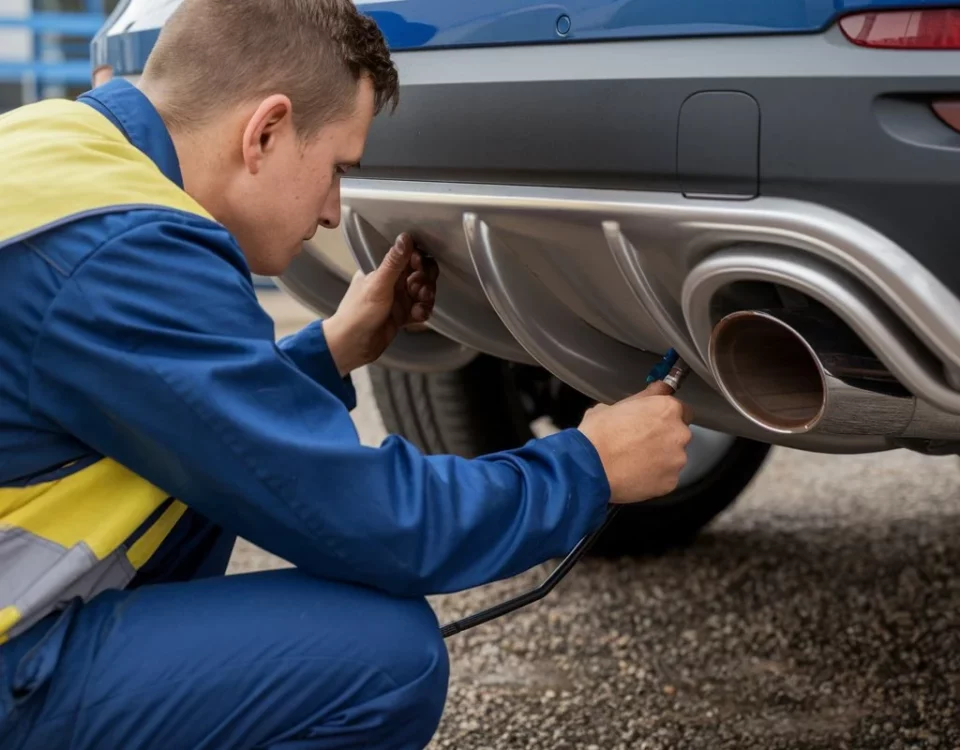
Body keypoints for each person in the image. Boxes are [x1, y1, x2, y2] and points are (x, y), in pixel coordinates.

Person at [0, 1, 692, 748]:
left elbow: (179, 409)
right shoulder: (124, 257)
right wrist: (588, 468)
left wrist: (327, 351)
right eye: (335, 170)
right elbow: (374, 521)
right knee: (383, 659)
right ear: (264, 131)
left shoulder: (55, 153)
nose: (333, 212)